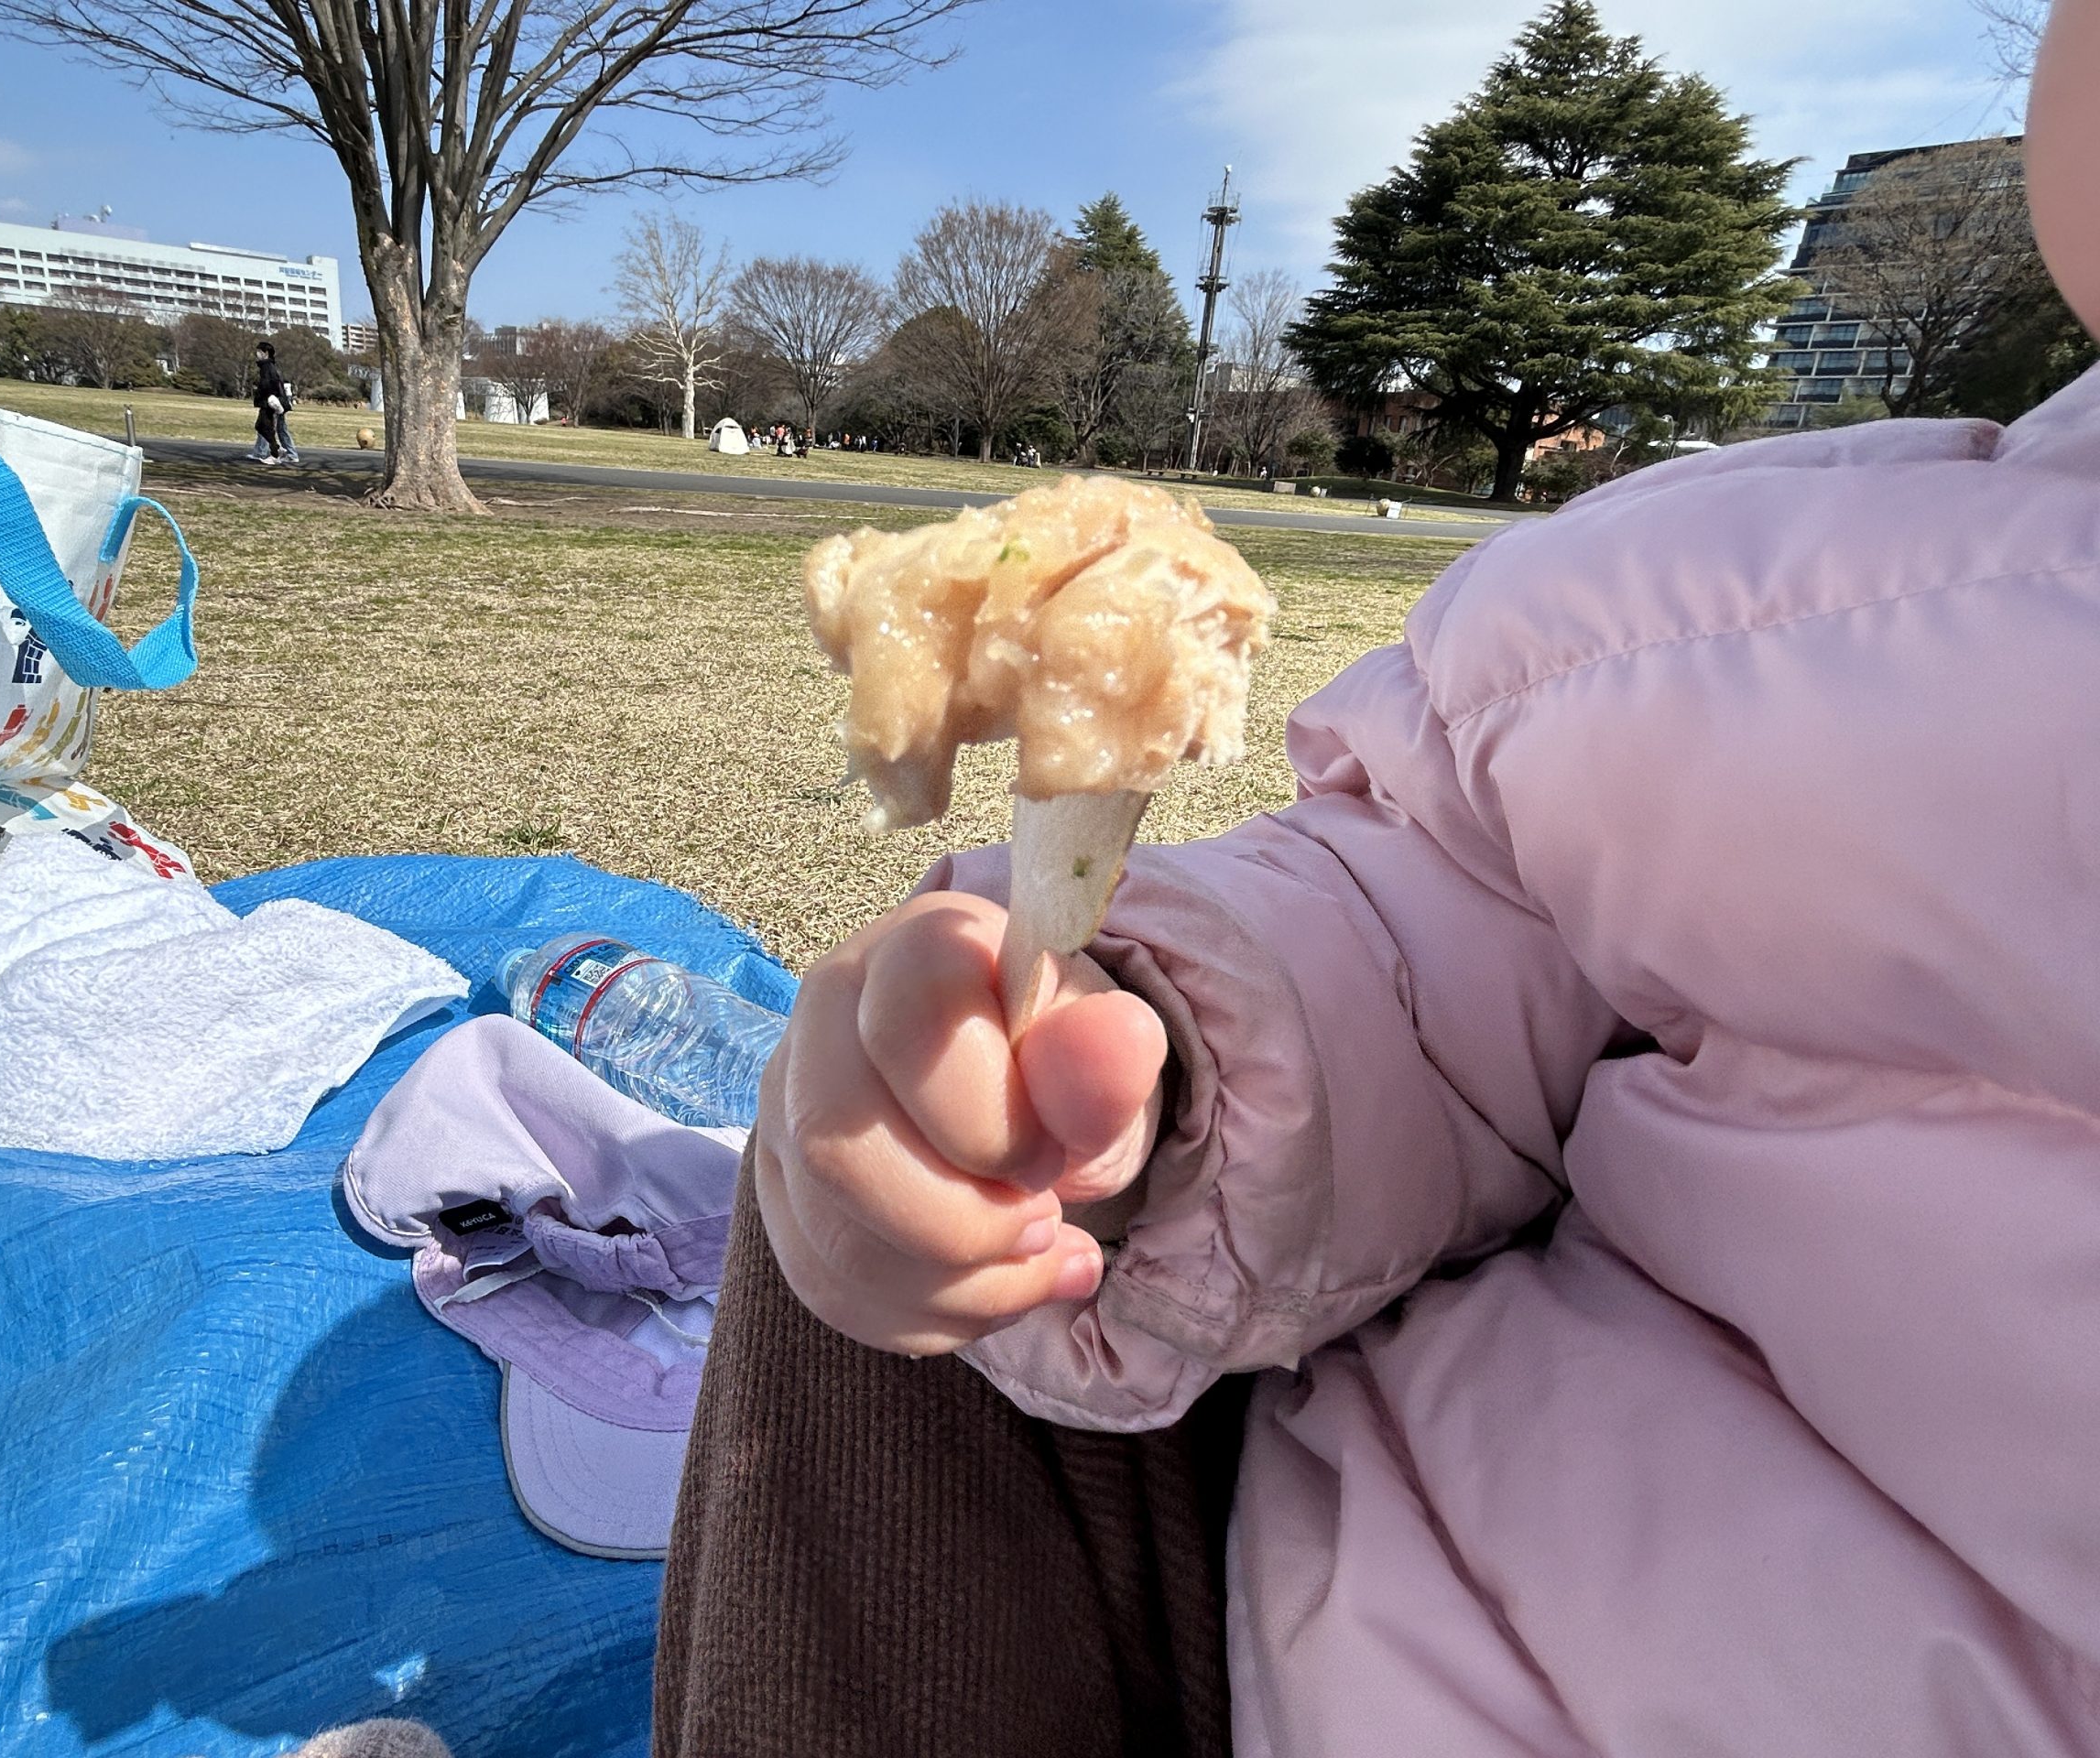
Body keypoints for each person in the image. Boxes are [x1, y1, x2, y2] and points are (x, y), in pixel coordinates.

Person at [653, 7, 2100, 1754]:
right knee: (899, 1164)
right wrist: (1164, 1080)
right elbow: (1439, 940)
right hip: (1342, 1559)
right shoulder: (1770, 578)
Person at [248, 342, 299, 466]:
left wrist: (264, 395)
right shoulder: (269, 366)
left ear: (265, 353)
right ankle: (265, 452)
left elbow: (269, 385)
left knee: (267, 427)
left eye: (259, 351)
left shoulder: (267, 367)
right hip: (275, 402)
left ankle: (278, 453)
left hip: (273, 403)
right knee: (270, 427)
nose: (257, 354)